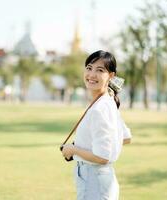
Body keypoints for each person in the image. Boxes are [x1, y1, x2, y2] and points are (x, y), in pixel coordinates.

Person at [61, 50, 132, 200]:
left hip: (93, 179)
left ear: (111, 76)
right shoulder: (108, 101)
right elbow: (125, 137)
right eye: (89, 68)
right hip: (103, 179)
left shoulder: (99, 109)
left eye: (100, 70)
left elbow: (102, 157)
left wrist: (73, 149)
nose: (92, 74)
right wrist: (85, 144)